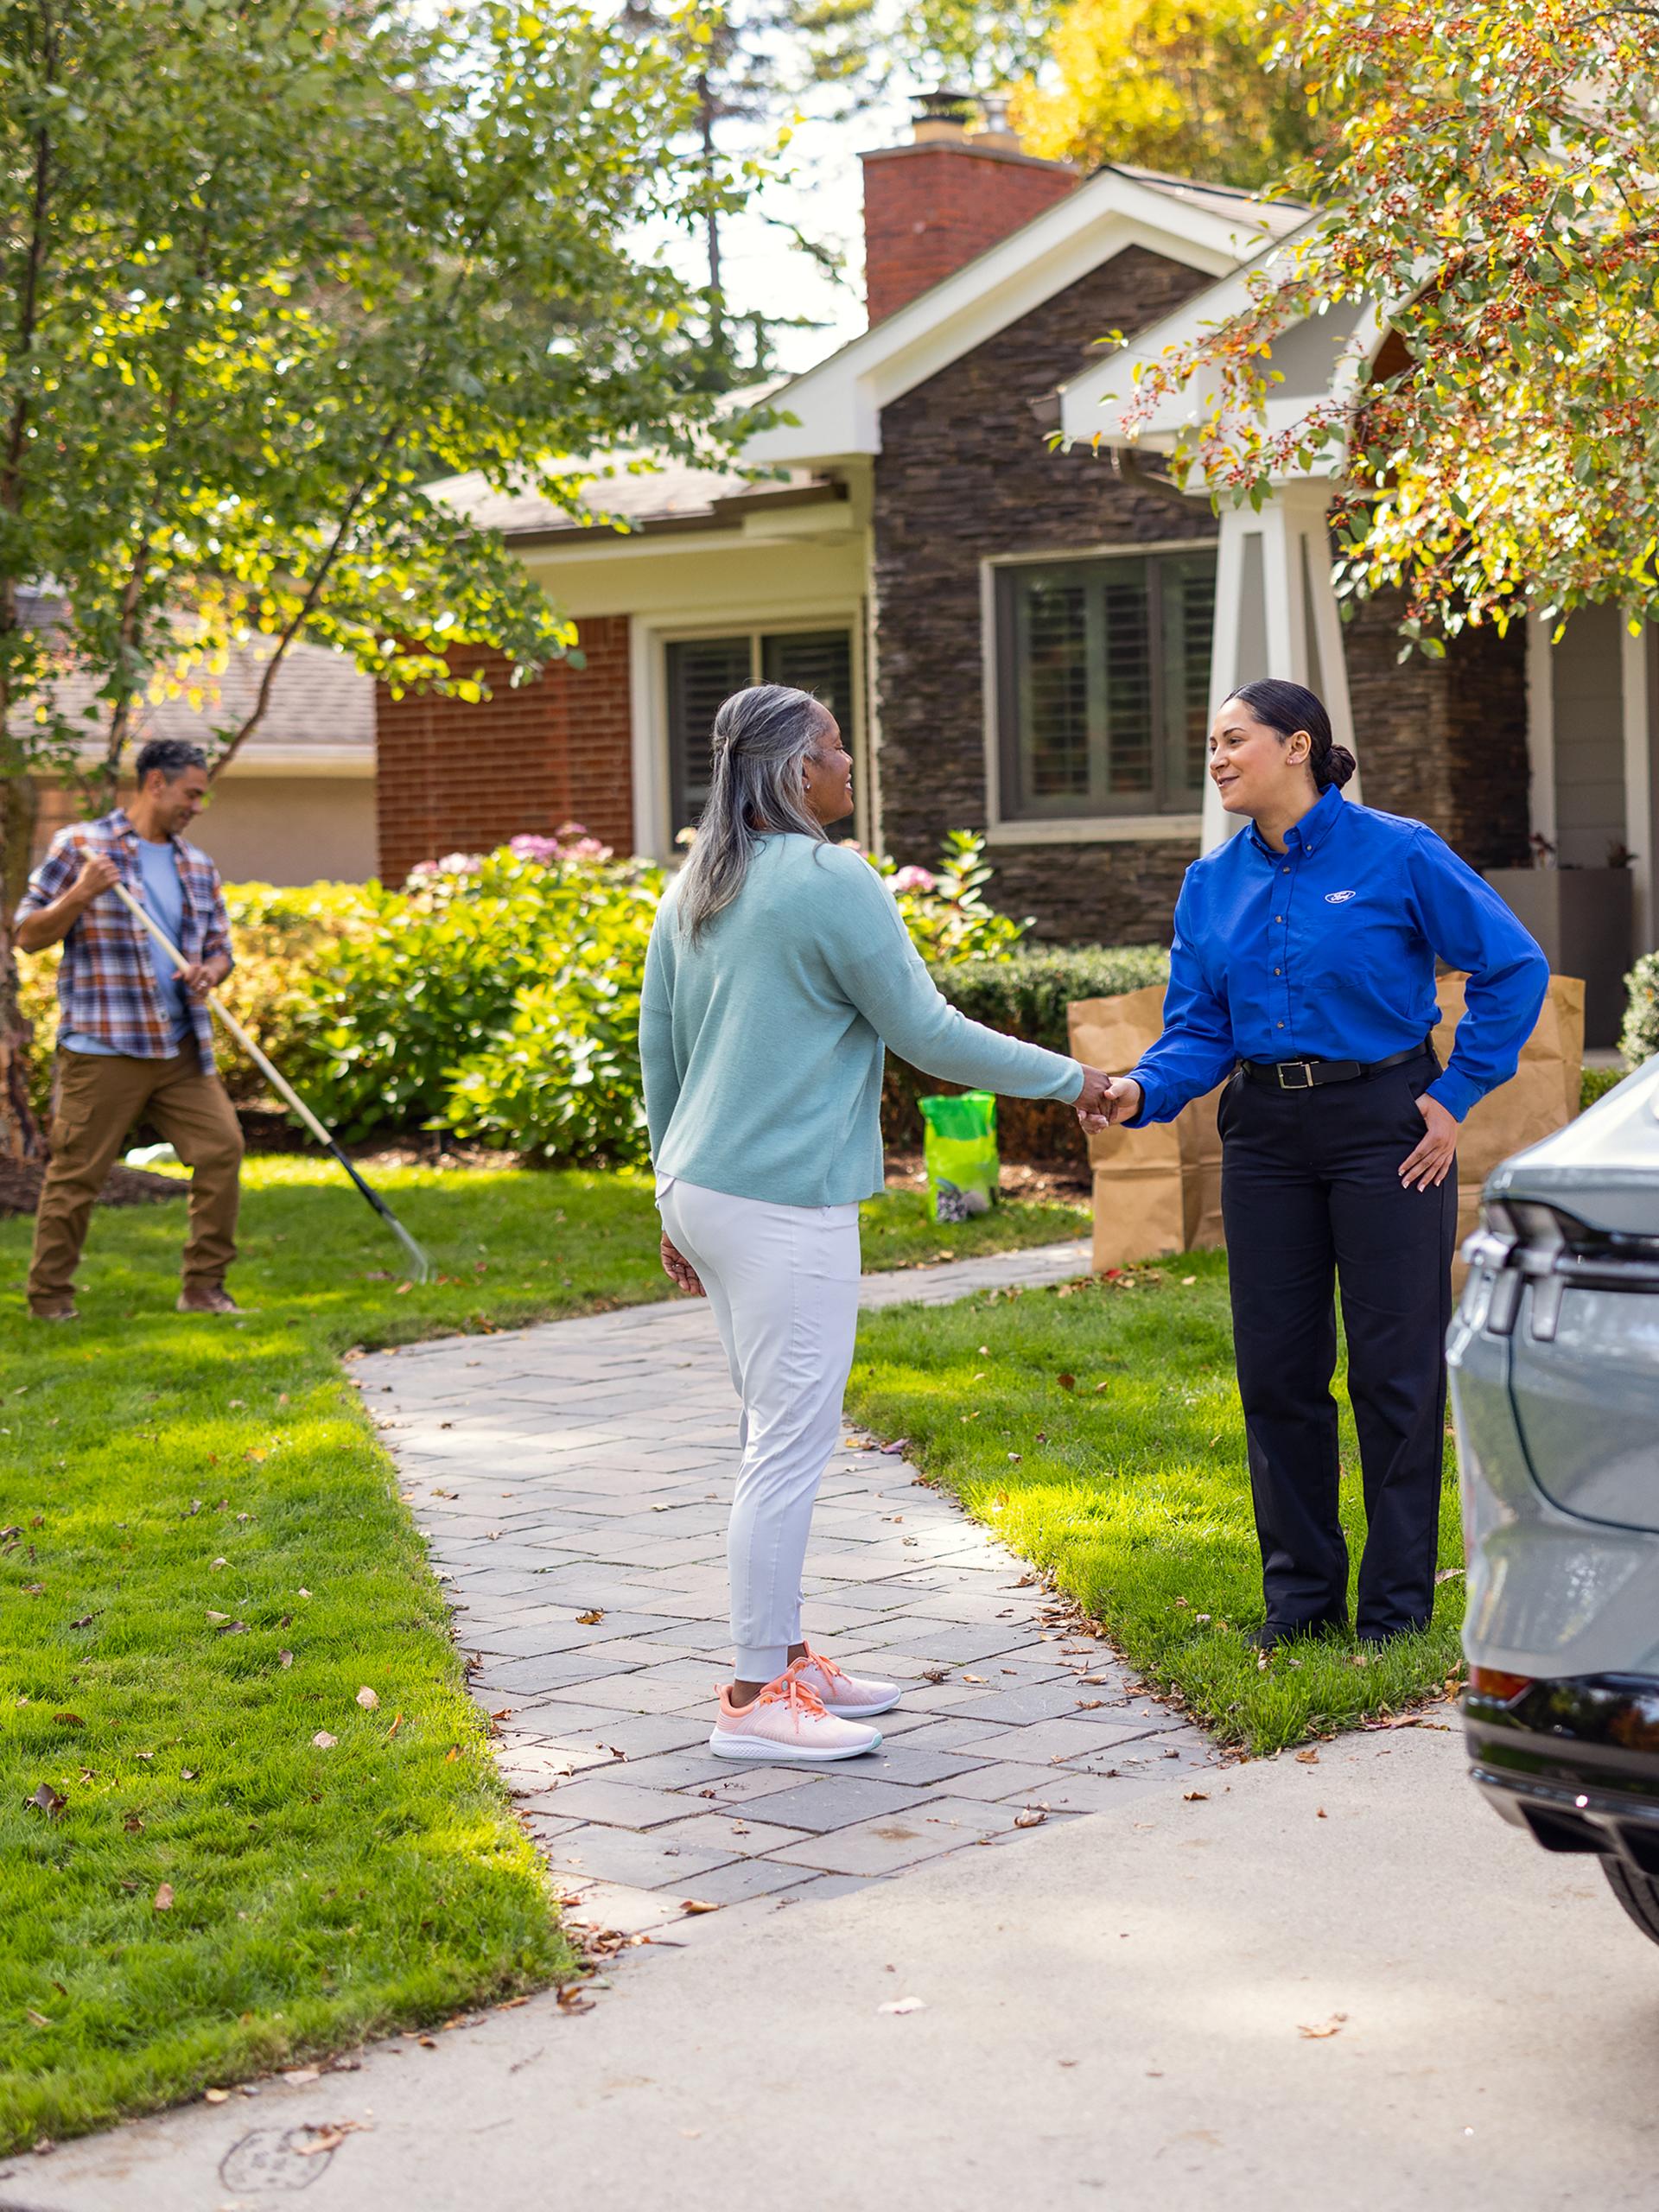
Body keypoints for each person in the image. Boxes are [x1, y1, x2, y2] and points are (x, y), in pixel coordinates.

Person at [641, 683, 1117, 1762]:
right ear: (794, 772)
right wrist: (1073, 1078)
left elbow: (659, 1054)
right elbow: (927, 1031)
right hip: (781, 1198)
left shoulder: (697, 885)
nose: (852, 769)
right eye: (839, 752)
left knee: (773, 1430)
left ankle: (788, 1655)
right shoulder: (825, 876)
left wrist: (670, 1194)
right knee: (787, 1445)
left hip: (707, 1188)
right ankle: (757, 1697)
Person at [1089, 679, 1548, 1649]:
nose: (1215, 758)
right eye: (1209, 743)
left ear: (1297, 746)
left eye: (1232, 740)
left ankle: (1395, 1608)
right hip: (1264, 1137)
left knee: (1395, 1372)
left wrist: (1453, 1095)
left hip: (1388, 1126)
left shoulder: (1400, 850)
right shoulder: (1209, 884)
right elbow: (1198, 1030)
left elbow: (1512, 967)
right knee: (1278, 1372)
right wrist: (1140, 1090)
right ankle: (1300, 1602)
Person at [16, 738, 245, 1320]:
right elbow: (28, 934)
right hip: (105, 1046)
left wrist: (208, 972)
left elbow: (222, 951)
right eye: (191, 793)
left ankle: (203, 1288)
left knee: (222, 1150)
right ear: (155, 784)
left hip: (179, 1046)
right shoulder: (82, 847)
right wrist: (82, 891)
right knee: (77, 1175)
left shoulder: (197, 865)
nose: (197, 804)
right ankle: (49, 1299)